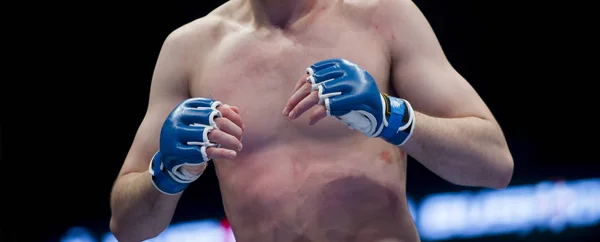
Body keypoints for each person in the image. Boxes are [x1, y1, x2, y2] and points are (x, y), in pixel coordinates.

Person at [109, 0, 514, 241]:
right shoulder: (190, 50)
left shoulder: (384, 16)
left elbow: (495, 163)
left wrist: (391, 117)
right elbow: (126, 227)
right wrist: (165, 172)